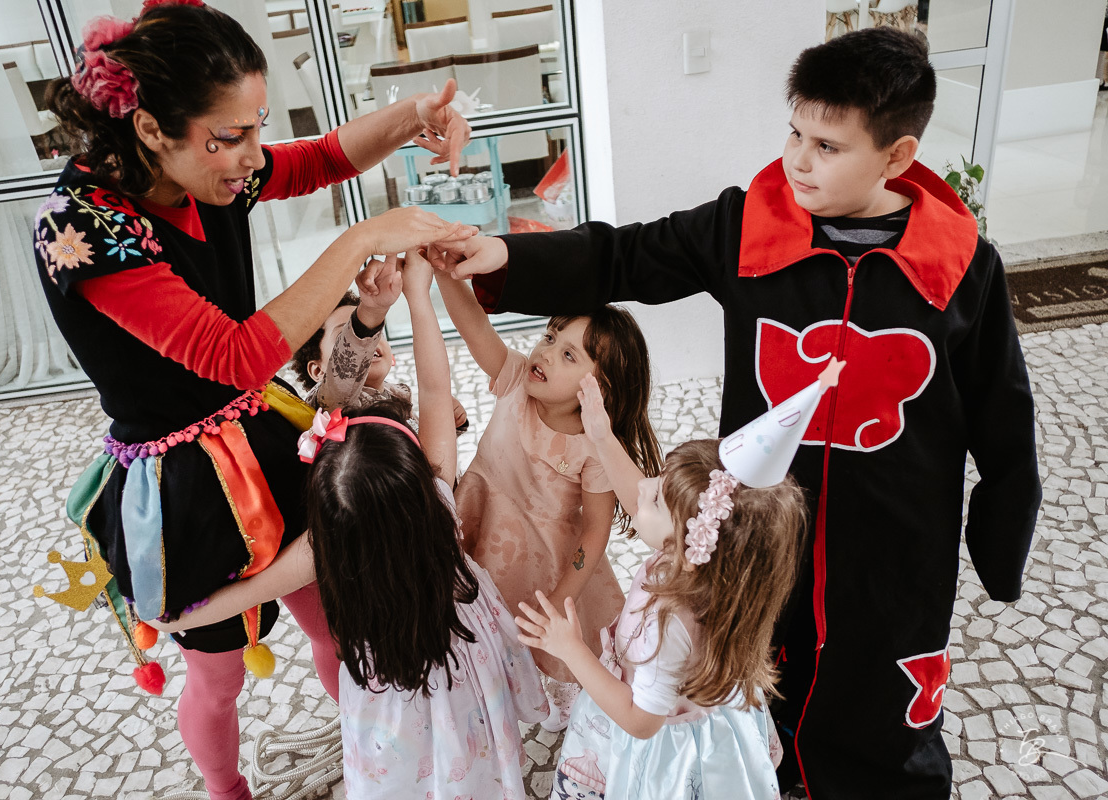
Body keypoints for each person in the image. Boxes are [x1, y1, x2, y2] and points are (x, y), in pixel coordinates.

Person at [426, 26, 1043, 799]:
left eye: (828, 145)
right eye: (795, 131)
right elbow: (627, 255)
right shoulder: (750, 225)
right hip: (749, 525)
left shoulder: (961, 268)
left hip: (896, 531)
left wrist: (1001, 541)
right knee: (753, 659)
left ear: (897, 156)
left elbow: (1003, 416)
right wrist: (509, 258)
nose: (798, 158)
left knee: (879, 685)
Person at [34, 3, 475, 799]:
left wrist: (416, 113)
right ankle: (225, 790)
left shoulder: (209, 166)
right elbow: (231, 357)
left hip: (265, 433)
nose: (250, 155)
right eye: (228, 136)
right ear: (150, 129)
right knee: (218, 676)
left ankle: (379, 755)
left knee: (336, 619)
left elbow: (322, 157)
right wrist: (359, 240)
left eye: (255, 127)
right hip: (183, 486)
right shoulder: (82, 226)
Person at [151, 249, 548, 800]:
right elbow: (436, 392)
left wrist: (172, 620)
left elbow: (251, 590)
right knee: (475, 751)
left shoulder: (327, 547)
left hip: (394, 693)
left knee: (412, 770)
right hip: (470, 656)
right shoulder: (436, 495)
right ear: (418, 469)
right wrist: (415, 298)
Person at [517, 420, 806, 800]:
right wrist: (603, 438)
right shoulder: (710, 574)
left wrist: (571, 648)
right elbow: (642, 502)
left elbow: (640, 722)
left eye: (656, 497)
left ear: (690, 547)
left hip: (655, 747)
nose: (642, 487)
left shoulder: (668, 623)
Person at [434, 272, 663, 731]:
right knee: (475, 618)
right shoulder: (515, 376)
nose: (545, 353)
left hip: (542, 557)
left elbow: (596, 530)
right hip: (480, 520)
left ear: (600, 391)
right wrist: (444, 274)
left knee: (534, 635)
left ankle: (548, 703)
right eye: (550, 336)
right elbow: (473, 325)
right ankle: (484, 684)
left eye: (568, 355)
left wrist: (561, 598)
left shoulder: (595, 449)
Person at [289, 275, 468, 430]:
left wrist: (448, 425)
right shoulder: (330, 406)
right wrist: (373, 309)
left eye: (376, 334)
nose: (368, 343)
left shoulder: (397, 395)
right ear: (318, 371)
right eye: (345, 338)